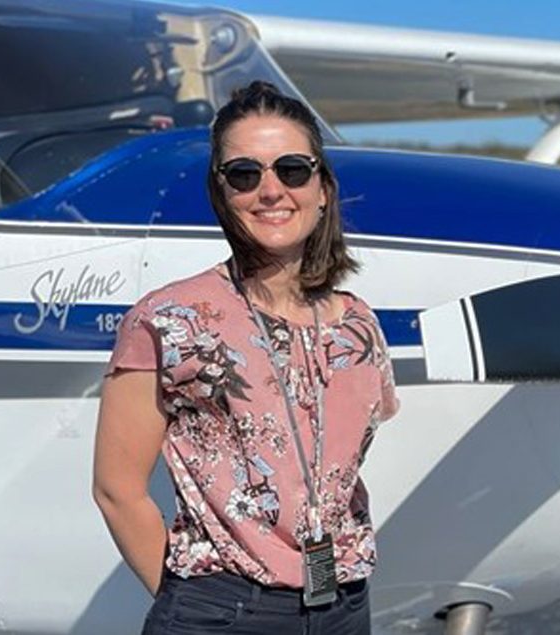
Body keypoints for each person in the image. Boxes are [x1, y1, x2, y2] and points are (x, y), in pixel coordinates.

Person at [93, 81, 399, 634]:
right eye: (244, 173)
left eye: (293, 169)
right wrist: (189, 605)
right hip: (224, 608)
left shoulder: (359, 325)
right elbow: (117, 489)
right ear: (222, 192)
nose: (270, 190)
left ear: (323, 187)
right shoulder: (168, 318)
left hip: (345, 603)